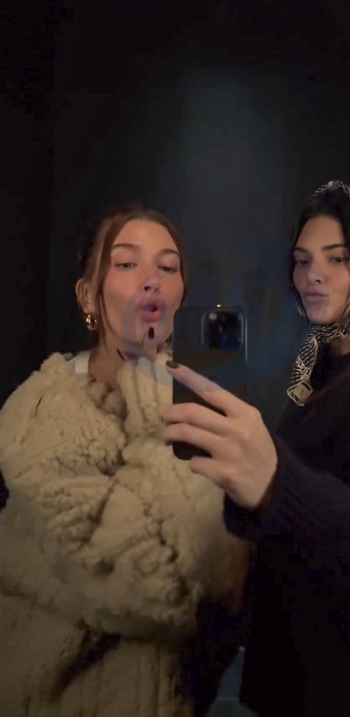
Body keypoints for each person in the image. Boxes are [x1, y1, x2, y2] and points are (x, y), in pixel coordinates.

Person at [162, 181, 350, 716]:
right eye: (302, 260)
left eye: (337, 259)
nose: (313, 275)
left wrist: (276, 484)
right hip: (297, 686)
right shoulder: (326, 379)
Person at [0, 205, 248, 717]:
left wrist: (161, 381)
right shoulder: (41, 410)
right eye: (128, 263)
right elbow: (162, 588)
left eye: (168, 266)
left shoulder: (204, 404)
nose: (151, 280)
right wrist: (156, 387)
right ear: (87, 295)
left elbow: (229, 583)